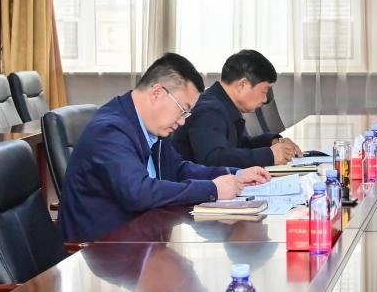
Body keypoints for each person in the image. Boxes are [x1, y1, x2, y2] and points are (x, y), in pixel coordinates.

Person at [58, 53, 270, 242]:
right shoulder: (111, 130)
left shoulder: (151, 127)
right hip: (103, 250)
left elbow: (178, 169)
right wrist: (212, 190)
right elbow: (138, 192)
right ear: (157, 93)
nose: (183, 121)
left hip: (142, 238)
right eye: (183, 109)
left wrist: (235, 174)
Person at [171, 49, 303, 167]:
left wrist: (272, 142)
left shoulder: (222, 102)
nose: (264, 99)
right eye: (264, 91)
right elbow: (213, 159)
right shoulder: (209, 111)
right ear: (242, 85)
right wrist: (269, 155)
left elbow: (237, 146)